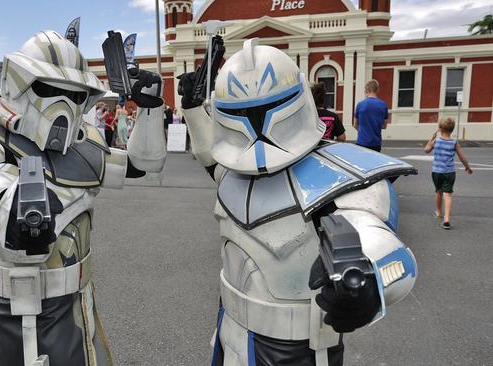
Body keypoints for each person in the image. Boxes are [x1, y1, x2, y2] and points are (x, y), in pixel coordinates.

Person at [179, 38, 418, 366]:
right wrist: (193, 109)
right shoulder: (233, 173)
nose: (256, 125)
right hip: (229, 332)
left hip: (298, 349)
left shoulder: (339, 175)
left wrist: (367, 285)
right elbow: (214, 162)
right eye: (242, 113)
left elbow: (391, 255)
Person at [0, 30, 166, 366]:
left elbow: (143, 164)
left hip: (80, 301)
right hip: (28, 316)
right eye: (49, 89)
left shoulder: (82, 149)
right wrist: (11, 210)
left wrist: (149, 110)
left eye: (73, 94)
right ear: (20, 84)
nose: (62, 104)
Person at [424, 117, 473, 229]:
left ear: (440, 129)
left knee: (438, 192)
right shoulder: (454, 143)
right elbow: (462, 157)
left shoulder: (436, 141)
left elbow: (426, 150)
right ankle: (446, 218)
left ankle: (438, 212)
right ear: (452, 129)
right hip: (449, 172)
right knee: (448, 194)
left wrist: (431, 138)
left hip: (437, 172)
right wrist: (468, 168)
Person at [354, 79, 389, 151]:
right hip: (376, 143)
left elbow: (355, 125)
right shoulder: (384, 105)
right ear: (377, 90)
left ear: (367, 90)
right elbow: (384, 126)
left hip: (362, 142)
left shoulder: (360, 104)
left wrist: (364, 130)